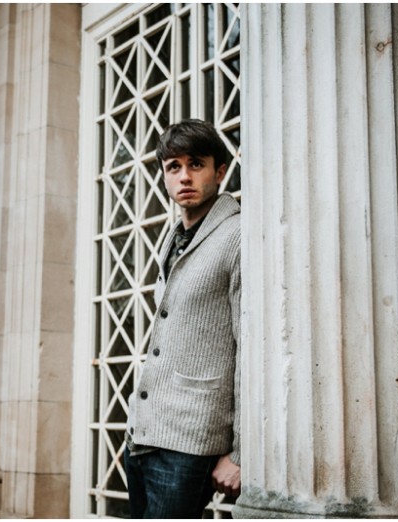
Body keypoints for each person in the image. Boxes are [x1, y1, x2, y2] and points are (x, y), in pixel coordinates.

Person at [123, 119, 241, 518]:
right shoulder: (173, 236)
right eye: (173, 167)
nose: (184, 176)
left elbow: (254, 350)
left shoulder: (239, 235)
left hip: (189, 444)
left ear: (220, 171)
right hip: (141, 435)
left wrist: (243, 451)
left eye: (196, 164)